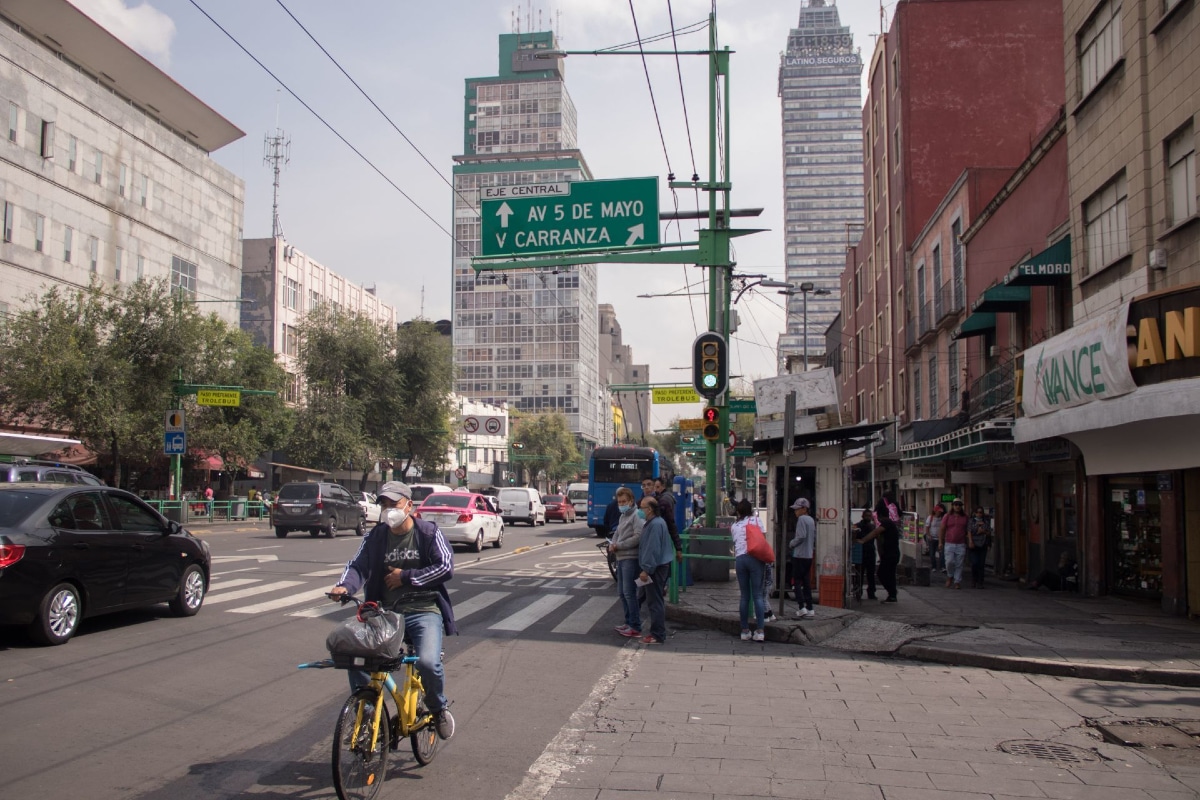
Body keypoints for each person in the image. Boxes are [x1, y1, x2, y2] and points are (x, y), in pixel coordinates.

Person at [329, 481, 457, 741]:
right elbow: (357, 566)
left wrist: (406, 577)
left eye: (394, 504)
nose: (388, 510)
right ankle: (366, 714)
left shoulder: (428, 533)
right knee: (356, 655)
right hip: (384, 614)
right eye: (384, 504)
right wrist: (344, 586)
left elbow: (446, 567)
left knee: (428, 663)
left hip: (423, 609)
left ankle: (438, 707)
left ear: (409, 505)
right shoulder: (376, 537)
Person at [636, 496, 673, 645]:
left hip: (655, 568)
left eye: (642, 508)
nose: (640, 511)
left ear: (649, 509)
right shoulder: (654, 523)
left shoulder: (655, 524)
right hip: (656, 566)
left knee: (655, 601)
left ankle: (657, 634)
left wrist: (646, 569)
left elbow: (653, 549)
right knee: (648, 599)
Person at [730, 499, 768, 641]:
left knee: (744, 596)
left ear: (738, 511)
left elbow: (735, 542)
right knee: (757, 595)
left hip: (740, 559)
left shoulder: (734, 526)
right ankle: (760, 631)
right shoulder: (757, 521)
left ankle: (744, 630)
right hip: (755, 559)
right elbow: (763, 540)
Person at [609, 486, 644, 638]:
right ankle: (628, 621)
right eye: (619, 501)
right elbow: (617, 532)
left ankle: (635, 626)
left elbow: (638, 536)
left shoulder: (637, 515)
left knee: (630, 593)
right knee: (622, 592)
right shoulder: (623, 516)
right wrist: (613, 543)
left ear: (631, 501)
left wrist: (619, 545)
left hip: (631, 557)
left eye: (624, 501)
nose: (621, 504)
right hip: (621, 557)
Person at [858, 496, 900, 602]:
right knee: (887, 574)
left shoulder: (886, 523)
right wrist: (881, 555)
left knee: (883, 573)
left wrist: (863, 540)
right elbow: (880, 541)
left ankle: (892, 592)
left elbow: (875, 533)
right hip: (888, 554)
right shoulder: (887, 523)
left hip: (891, 554)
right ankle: (892, 593)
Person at [788, 498, 816, 618]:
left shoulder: (801, 519)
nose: (795, 512)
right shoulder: (811, 520)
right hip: (809, 555)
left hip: (799, 555)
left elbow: (801, 536)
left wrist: (792, 543)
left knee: (796, 582)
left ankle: (801, 607)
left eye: (797, 509)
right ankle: (810, 607)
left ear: (804, 509)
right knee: (806, 582)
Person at [941, 499, 970, 589]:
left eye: (959, 505)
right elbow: (942, 529)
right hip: (949, 542)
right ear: (953, 506)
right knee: (949, 562)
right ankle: (950, 576)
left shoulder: (965, 517)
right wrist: (940, 542)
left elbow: (968, 530)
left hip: (961, 543)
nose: (957, 506)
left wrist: (969, 541)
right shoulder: (947, 516)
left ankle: (957, 581)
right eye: (956, 504)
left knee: (959, 563)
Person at [853, 508, 877, 600]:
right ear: (862, 516)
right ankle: (858, 591)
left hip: (870, 552)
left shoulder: (872, 527)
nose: (868, 518)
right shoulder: (857, 526)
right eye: (866, 516)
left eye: (869, 516)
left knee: (870, 574)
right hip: (861, 552)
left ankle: (871, 592)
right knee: (859, 573)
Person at [967, 506, 992, 589]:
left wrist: (983, 531)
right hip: (974, 544)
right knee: (974, 563)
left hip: (983, 544)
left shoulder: (986, 521)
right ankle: (974, 579)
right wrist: (970, 541)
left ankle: (980, 582)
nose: (979, 514)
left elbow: (989, 533)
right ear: (974, 513)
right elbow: (969, 531)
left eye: (981, 512)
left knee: (981, 564)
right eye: (977, 512)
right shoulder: (971, 521)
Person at [925, 503, 945, 572]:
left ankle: (942, 567)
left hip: (940, 538)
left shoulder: (942, 518)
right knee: (932, 554)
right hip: (932, 538)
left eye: (940, 511)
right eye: (938, 511)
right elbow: (927, 528)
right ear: (935, 511)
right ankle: (934, 566)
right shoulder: (930, 518)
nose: (939, 512)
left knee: (942, 553)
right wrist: (929, 535)